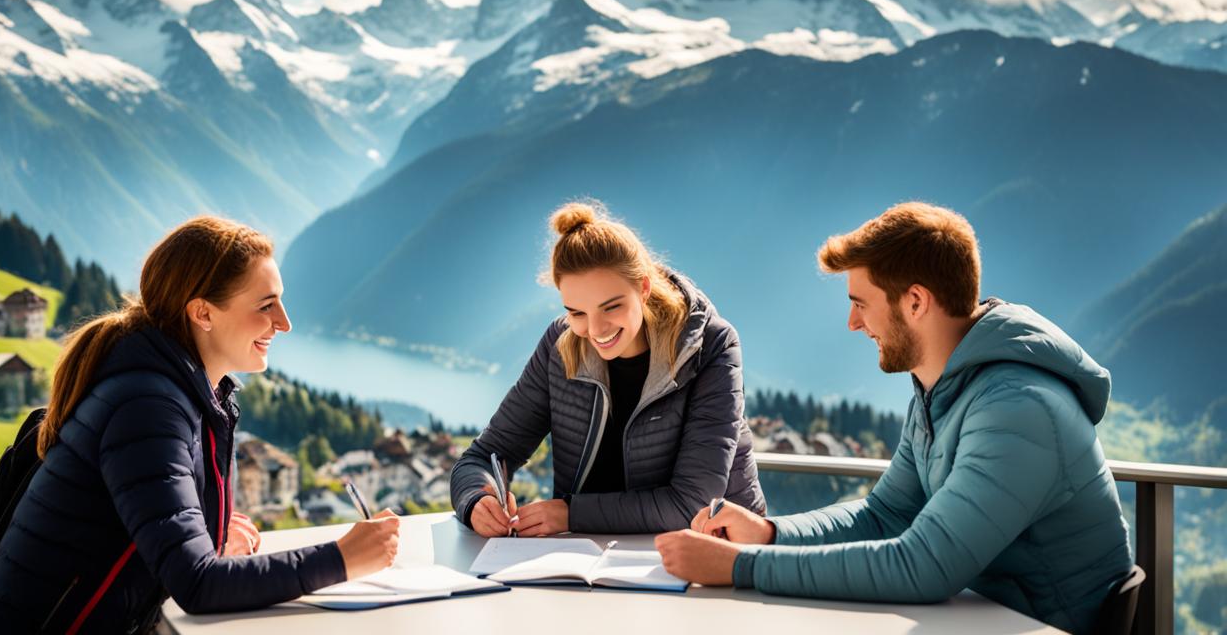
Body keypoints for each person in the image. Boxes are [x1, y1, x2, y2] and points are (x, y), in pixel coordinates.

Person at [655, 202, 1132, 634]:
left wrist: (742, 566)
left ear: (916, 302)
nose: (853, 324)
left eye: (861, 304)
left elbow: (924, 566)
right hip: (981, 618)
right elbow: (885, 515)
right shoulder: (942, 389)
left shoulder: (1018, 409)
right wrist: (771, 535)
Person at [0, 217, 399, 634]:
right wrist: (343, 557)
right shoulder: (148, 407)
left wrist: (206, 535)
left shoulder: (161, 388)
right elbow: (198, 585)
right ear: (202, 313)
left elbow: (145, 526)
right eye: (266, 305)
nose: (284, 322)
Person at [450, 201, 764, 537]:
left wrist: (570, 515)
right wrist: (477, 499)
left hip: (720, 553)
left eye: (610, 307)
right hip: (591, 559)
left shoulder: (711, 345)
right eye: (577, 313)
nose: (596, 330)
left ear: (642, 288)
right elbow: (483, 456)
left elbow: (693, 504)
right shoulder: (560, 346)